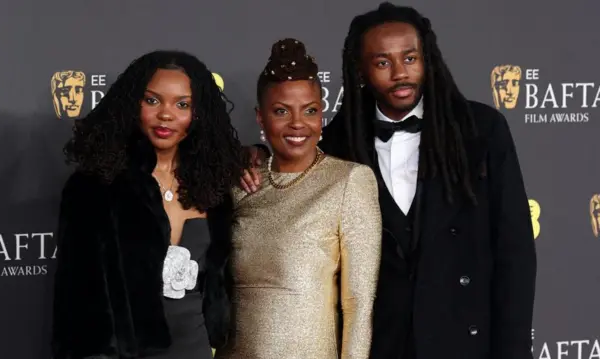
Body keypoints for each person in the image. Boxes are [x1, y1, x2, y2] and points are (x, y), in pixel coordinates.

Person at [243, 3, 537, 359]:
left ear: (426, 59)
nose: (400, 73)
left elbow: (515, 253)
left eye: (410, 58)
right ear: (361, 69)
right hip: (380, 344)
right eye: (383, 62)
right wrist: (253, 155)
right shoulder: (337, 143)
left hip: (464, 341)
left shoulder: (480, 131)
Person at [51, 50, 248, 359]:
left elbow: (216, 287)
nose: (165, 115)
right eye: (153, 100)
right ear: (133, 105)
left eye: (182, 104)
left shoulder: (214, 187)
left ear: (198, 114)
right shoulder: (94, 187)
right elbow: (78, 308)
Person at [215, 38, 382, 359]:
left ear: (322, 113)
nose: (297, 124)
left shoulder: (349, 181)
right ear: (260, 118)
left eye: (310, 111)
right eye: (281, 111)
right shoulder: (242, 182)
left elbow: (358, 303)